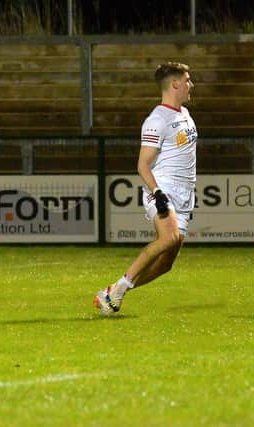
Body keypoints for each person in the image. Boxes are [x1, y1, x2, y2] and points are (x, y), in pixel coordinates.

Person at [94, 61, 197, 315]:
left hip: (185, 194)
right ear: (174, 84)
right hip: (163, 190)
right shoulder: (157, 120)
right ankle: (117, 289)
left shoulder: (183, 113)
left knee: (165, 264)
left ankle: (113, 291)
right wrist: (158, 193)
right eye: (187, 80)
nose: (190, 85)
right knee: (168, 238)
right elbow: (142, 164)